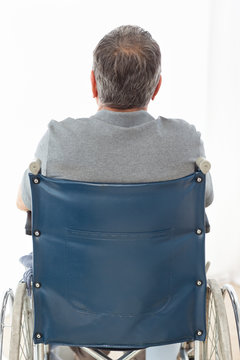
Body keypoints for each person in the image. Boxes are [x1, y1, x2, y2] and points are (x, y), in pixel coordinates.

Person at [16, 25, 213, 360]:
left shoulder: (58, 140)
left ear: (93, 82)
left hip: (76, 301)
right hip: (159, 299)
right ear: (157, 86)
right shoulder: (186, 142)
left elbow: (24, 202)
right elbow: (203, 200)